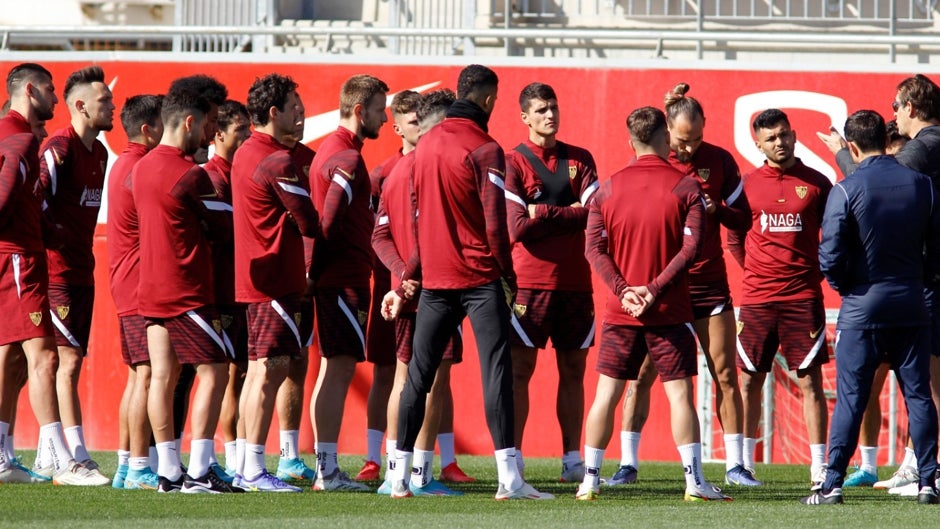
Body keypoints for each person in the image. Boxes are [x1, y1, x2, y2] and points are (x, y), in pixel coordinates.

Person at [382, 64, 552, 500]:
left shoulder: (423, 146)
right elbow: (496, 225)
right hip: (479, 279)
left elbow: (418, 223)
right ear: (490, 99)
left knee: (417, 376)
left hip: (435, 280)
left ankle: (397, 477)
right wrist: (508, 273)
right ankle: (509, 480)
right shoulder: (486, 148)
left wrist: (409, 275)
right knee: (496, 372)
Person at [577, 106, 729, 502]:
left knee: (605, 396)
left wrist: (624, 289)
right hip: (668, 311)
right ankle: (694, 483)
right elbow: (692, 248)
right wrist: (654, 289)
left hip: (620, 311)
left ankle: (589, 481)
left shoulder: (606, 189)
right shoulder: (686, 188)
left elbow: (593, 250)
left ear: (630, 142)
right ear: (665, 138)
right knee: (679, 396)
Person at [612, 83, 758, 487]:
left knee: (725, 372)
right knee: (641, 376)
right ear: (666, 134)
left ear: (705, 128)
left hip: (708, 283)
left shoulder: (721, 161)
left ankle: (736, 464)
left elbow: (743, 220)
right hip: (660, 286)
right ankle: (627, 463)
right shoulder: (653, 160)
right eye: (680, 140)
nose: (689, 149)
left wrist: (719, 210)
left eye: (696, 139)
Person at [803, 110, 940, 505]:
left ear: (851, 146)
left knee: (852, 397)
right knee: (918, 395)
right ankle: (928, 482)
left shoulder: (846, 189)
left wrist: (850, 288)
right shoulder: (924, 186)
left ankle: (830, 486)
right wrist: (921, 282)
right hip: (912, 305)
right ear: (886, 137)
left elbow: (829, 256)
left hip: (863, 307)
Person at [0, 62, 108, 485]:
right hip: (19, 258)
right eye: (48, 90)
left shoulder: (14, 136)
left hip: (24, 258)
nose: (54, 98)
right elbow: (7, 197)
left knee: (12, 361)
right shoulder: (23, 140)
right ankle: (58, 457)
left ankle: (3, 456)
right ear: (30, 91)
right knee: (45, 356)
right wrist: (44, 235)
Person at [133, 82, 236, 493]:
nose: (212, 132)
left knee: (163, 376)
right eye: (210, 122)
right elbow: (225, 228)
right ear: (189, 121)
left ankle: (169, 472)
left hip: (152, 288)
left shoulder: (142, 166)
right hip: (188, 291)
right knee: (215, 370)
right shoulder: (189, 174)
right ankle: (198, 470)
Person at [727, 109, 832, 484]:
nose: (780, 142)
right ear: (758, 144)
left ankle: (819, 466)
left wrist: (817, 273)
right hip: (757, 299)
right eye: (771, 138)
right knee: (749, 381)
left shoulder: (818, 183)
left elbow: (835, 236)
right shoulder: (748, 184)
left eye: (784, 134)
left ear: (794, 134)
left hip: (803, 298)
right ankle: (743, 463)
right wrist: (754, 271)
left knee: (810, 381)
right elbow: (734, 236)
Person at [372, 88, 464, 497]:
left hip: (410, 288)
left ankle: (396, 471)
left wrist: (399, 275)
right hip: (439, 289)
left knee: (404, 379)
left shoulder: (394, 173)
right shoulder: (434, 170)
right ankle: (421, 475)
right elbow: (433, 233)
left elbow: (380, 235)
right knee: (431, 381)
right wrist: (411, 274)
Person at [503, 82, 597, 483]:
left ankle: (572, 459)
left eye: (553, 108)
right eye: (540, 110)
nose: (549, 115)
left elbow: (594, 215)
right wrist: (566, 211)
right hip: (530, 284)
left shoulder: (581, 158)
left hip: (576, 282)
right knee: (520, 370)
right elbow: (517, 227)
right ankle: (515, 458)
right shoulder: (513, 161)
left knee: (574, 369)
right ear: (524, 116)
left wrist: (543, 212)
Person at [231, 73, 318, 493]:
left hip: (258, 278)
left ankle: (245, 466)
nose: (300, 116)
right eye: (294, 109)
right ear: (273, 113)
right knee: (269, 371)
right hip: (275, 281)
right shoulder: (277, 160)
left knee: (257, 373)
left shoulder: (246, 152)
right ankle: (251, 469)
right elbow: (311, 220)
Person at [813, 119, 907, 488]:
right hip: (874, 301)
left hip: (899, 301)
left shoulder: (914, 185)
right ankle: (868, 464)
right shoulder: (866, 186)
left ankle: (917, 467)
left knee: (918, 389)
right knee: (866, 386)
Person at [309, 74, 388, 492]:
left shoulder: (335, 150)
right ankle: (328, 471)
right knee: (338, 370)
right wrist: (316, 272)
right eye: (379, 109)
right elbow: (329, 220)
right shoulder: (348, 158)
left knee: (331, 368)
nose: (385, 117)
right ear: (360, 111)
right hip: (342, 280)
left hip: (338, 278)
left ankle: (326, 468)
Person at [38, 65, 115, 479]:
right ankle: (75, 457)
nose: (113, 106)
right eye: (105, 101)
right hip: (56, 273)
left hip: (83, 270)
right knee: (64, 363)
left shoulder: (100, 154)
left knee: (68, 360)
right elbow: (35, 203)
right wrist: (56, 240)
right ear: (80, 106)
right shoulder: (58, 149)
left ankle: (44, 454)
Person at [356, 89, 421, 482]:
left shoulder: (434, 168)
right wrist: (399, 278)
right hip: (390, 289)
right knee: (386, 372)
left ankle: (438, 458)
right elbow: (376, 236)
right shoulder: (382, 174)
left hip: (425, 287)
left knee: (434, 373)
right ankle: (373, 458)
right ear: (396, 126)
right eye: (414, 121)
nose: (422, 127)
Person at [106, 94, 165, 490]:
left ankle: (128, 465)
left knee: (138, 376)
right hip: (140, 284)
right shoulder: (141, 168)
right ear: (148, 129)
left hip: (127, 282)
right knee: (147, 374)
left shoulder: (124, 164)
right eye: (166, 122)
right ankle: (140, 466)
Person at [203, 99, 250, 480]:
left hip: (241, 290)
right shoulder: (211, 177)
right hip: (219, 292)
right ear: (218, 134)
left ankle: (233, 457)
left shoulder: (240, 174)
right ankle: (221, 456)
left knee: (240, 373)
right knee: (220, 374)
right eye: (240, 132)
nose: (247, 138)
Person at [273, 92, 318, 483]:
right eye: (295, 112)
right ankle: (236, 455)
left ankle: (287, 455)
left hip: (302, 281)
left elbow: (315, 224)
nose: (301, 119)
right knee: (245, 369)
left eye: (305, 112)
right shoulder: (259, 159)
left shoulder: (310, 161)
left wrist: (310, 270)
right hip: (263, 282)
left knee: (297, 364)